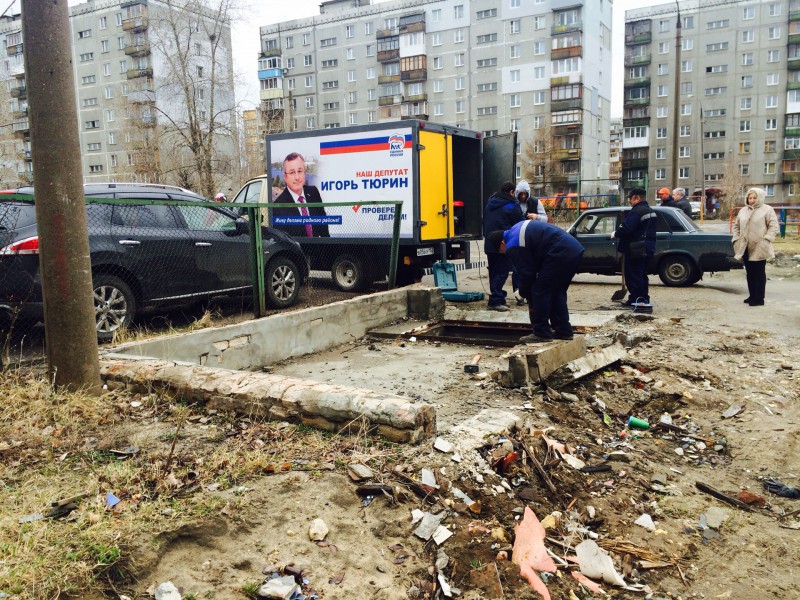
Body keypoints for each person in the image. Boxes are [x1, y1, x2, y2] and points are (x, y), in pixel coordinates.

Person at [486, 220, 584, 343]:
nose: (504, 253)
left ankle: (541, 332)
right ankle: (563, 331)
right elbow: (533, 264)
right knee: (556, 291)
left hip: (559, 252)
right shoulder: (516, 230)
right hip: (573, 250)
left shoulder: (512, 244)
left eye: (501, 250)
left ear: (502, 243)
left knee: (539, 291)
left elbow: (527, 275)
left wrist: (522, 292)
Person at [732, 187, 779, 306]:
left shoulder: (767, 210)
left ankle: (759, 298)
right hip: (745, 246)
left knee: (759, 273)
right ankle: (752, 295)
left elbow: (773, 226)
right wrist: (736, 239)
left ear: (760, 198)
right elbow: (736, 226)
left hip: (759, 246)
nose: (752, 200)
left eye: (754, 198)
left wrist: (767, 239)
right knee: (750, 272)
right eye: (750, 198)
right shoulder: (743, 211)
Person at [483, 181, 524, 311]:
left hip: (489, 242)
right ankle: (495, 301)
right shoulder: (512, 204)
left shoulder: (490, 202)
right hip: (503, 243)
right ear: (511, 192)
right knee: (502, 272)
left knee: (494, 271)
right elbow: (520, 224)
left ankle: (499, 298)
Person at [612, 188, 657, 306]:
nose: (629, 201)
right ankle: (643, 298)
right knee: (642, 274)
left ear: (636, 198)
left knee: (633, 275)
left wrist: (616, 233)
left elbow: (628, 229)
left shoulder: (636, 211)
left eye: (630, 199)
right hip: (648, 247)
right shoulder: (650, 210)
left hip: (635, 248)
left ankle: (636, 299)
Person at [272, 152, 329, 237]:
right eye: (292, 172)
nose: (297, 177)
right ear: (285, 177)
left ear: (304, 172)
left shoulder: (313, 192)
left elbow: (324, 229)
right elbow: (283, 241)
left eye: (299, 171)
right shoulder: (278, 207)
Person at [512, 180, 548, 304]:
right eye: (520, 194)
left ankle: (530, 295)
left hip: (532, 239)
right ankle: (519, 295)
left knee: (531, 269)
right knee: (517, 269)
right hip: (517, 238)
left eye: (525, 194)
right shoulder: (513, 203)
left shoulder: (535, 202)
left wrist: (536, 217)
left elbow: (545, 219)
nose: (523, 196)